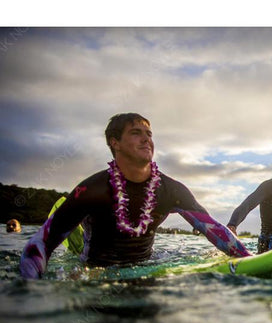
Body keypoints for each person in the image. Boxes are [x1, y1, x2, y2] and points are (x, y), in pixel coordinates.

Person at [20, 113, 250, 279]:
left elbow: (216, 231)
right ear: (115, 143)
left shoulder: (171, 190)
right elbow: (41, 242)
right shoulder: (93, 190)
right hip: (94, 274)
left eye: (149, 134)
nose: (146, 139)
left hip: (146, 269)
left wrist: (249, 259)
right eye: (136, 133)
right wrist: (31, 287)